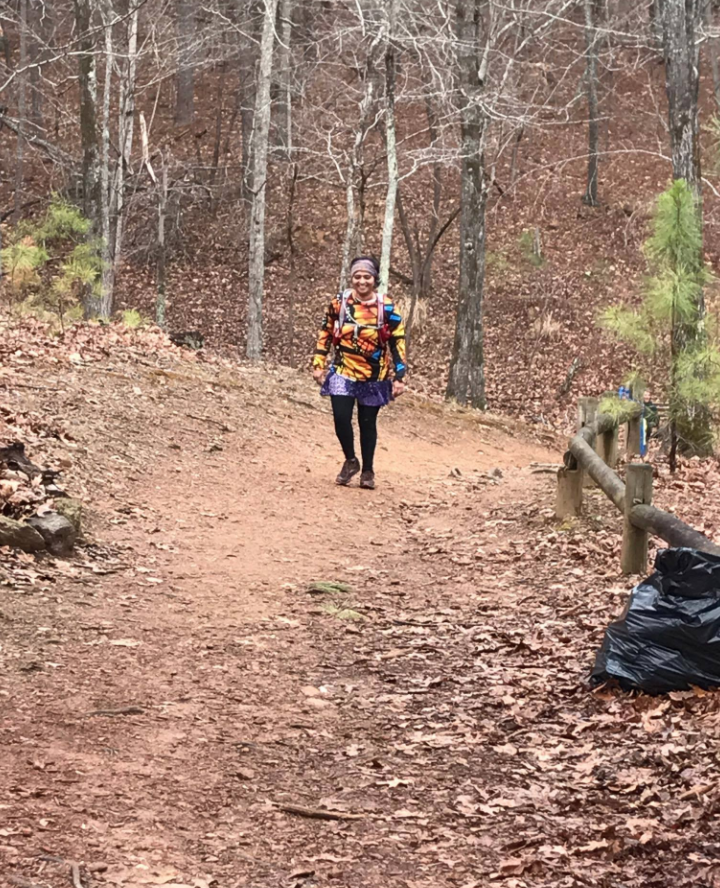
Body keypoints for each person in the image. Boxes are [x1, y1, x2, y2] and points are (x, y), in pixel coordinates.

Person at [312, 256, 407, 490]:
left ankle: (368, 470)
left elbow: (398, 341)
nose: (361, 281)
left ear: (375, 279)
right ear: (351, 278)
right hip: (343, 370)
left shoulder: (387, 307)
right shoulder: (339, 303)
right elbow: (325, 331)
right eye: (357, 276)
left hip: (374, 376)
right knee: (340, 417)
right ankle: (350, 460)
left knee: (367, 423)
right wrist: (318, 363)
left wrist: (400, 376)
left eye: (366, 277)